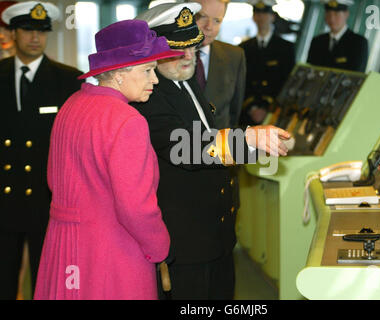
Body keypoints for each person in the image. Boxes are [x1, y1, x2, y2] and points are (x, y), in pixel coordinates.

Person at [133, 2, 290, 300]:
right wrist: (249, 140)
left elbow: (212, 138)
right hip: (186, 241)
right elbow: (185, 148)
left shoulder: (186, 82)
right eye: (178, 50)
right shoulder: (150, 96)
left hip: (216, 235)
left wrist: (259, 145)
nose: (189, 56)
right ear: (154, 53)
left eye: (192, 47)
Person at [34, 19, 182, 300]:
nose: (155, 79)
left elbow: (53, 179)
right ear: (120, 73)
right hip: (111, 255)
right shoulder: (127, 121)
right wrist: (161, 247)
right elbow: (135, 207)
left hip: (64, 249)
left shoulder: (71, 105)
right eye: (148, 70)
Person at [0, 1, 83, 300]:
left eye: (42, 31)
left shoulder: (69, 80)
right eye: (27, 29)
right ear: (13, 32)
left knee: (47, 284)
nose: (35, 37)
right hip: (4, 201)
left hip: (47, 202)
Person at [189, 0, 246, 130]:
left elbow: (234, 112)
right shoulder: (166, 56)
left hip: (217, 145)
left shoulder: (235, 56)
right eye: (202, 17)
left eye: (217, 21)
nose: (209, 26)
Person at [307, 0, 368, 72]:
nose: (332, 18)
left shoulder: (358, 42)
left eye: (336, 14)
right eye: (328, 13)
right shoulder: (317, 41)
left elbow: (356, 74)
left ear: (346, 14)